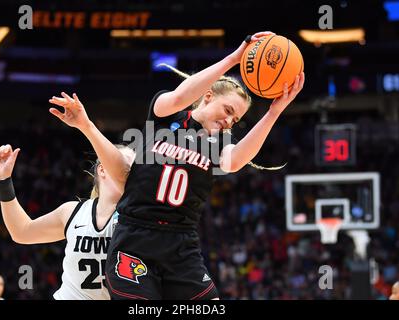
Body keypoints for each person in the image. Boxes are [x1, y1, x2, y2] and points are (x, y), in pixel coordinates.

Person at [100, 31, 305, 300]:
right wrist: (234, 59)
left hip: (181, 244)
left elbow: (237, 161)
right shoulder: (167, 112)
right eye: (228, 110)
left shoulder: (219, 143)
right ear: (207, 96)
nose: (230, 121)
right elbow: (179, 97)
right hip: (136, 238)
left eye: (236, 119)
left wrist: (274, 112)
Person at [0, 94, 134, 299]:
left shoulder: (138, 214)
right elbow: (22, 232)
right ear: (103, 170)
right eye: (125, 166)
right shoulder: (72, 213)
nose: (129, 173)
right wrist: (3, 181)